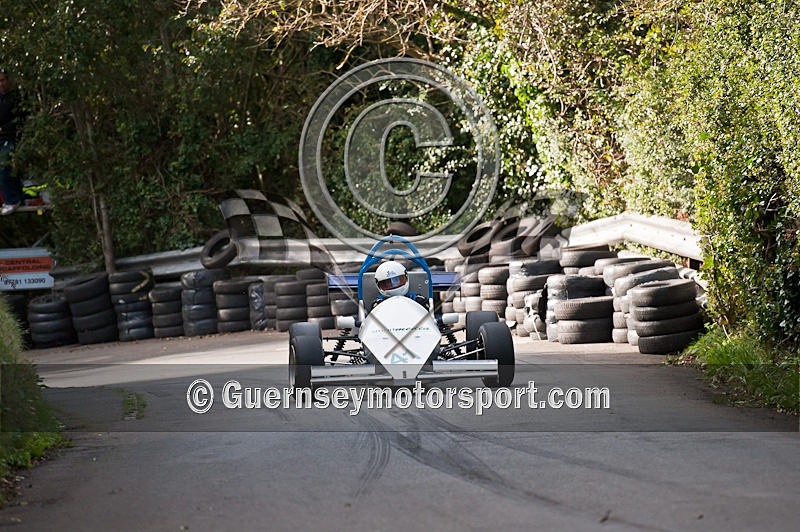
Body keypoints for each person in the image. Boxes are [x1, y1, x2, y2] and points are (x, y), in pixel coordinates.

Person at [0, 70, 23, 215]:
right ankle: (14, 197)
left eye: (2, 80)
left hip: (10, 136)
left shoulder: (16, 98)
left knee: (4, 167)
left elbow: (21, 119)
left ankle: (12, 200)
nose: (1, 84)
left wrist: (4, 128)